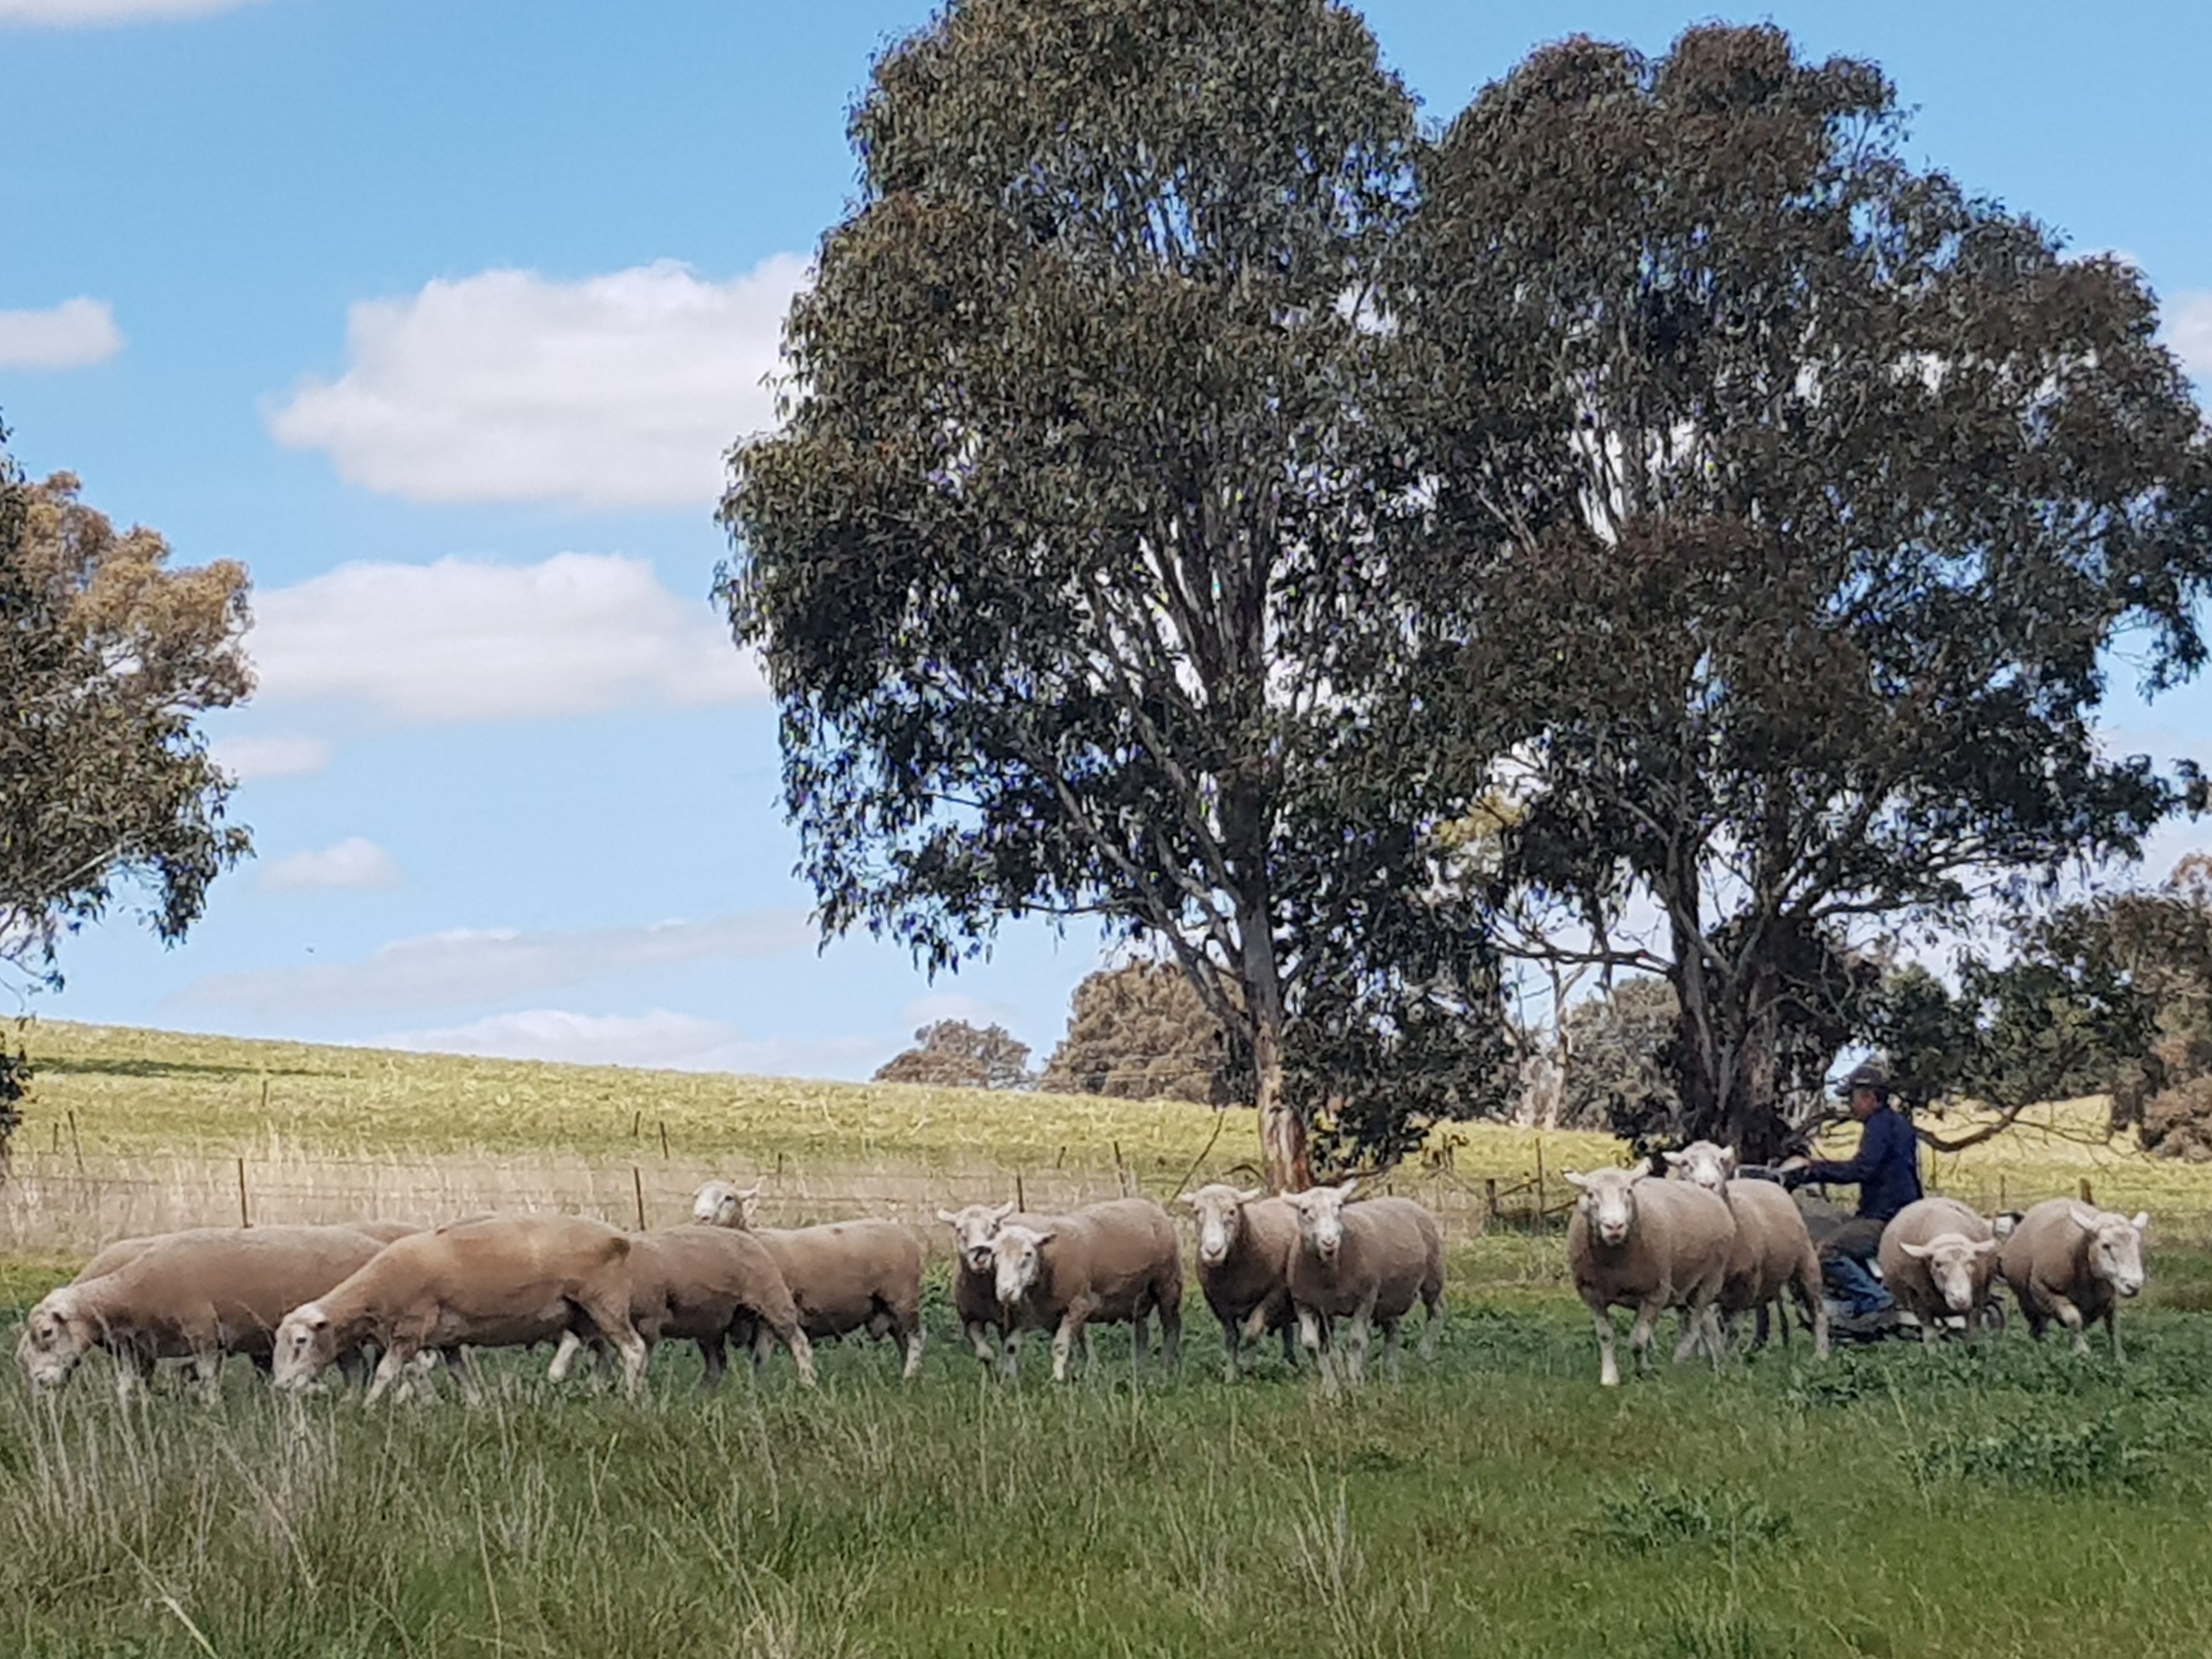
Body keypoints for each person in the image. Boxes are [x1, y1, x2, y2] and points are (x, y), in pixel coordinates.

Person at [1777, 1062, 1923, 1334]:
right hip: (1902, 1211)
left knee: (1828, 1250)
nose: (1850, 1104)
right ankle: (1856, 1303)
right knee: (1844, 1231)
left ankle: (1876, 1303)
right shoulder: (1897, 1124)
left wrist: (1811, 1170)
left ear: (1869, 1097)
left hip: (1885, 1216)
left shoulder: (1879, 1126)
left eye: (1852, 1098)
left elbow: (1863, 1169)